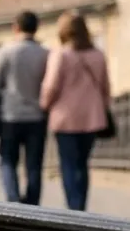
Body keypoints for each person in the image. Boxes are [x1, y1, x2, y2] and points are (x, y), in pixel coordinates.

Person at [0, 11, 49, 205]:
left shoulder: (5, 52)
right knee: (34, 164)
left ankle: (13, 199)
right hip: (37, 116)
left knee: (7, 160)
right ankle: (32, 204)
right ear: (36, 28)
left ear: (15, 28)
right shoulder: (45, 54)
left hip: (10, 115)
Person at [41, 12, 110, 211]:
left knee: (68, 164)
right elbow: (105, 87)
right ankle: (81, 206)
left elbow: (51, 86)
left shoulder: (61, 54)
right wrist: (103, 108)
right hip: (92, 116)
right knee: (82, 163)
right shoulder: (98, 55)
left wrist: (45, 105)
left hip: (65, 117)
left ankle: (73, 207)